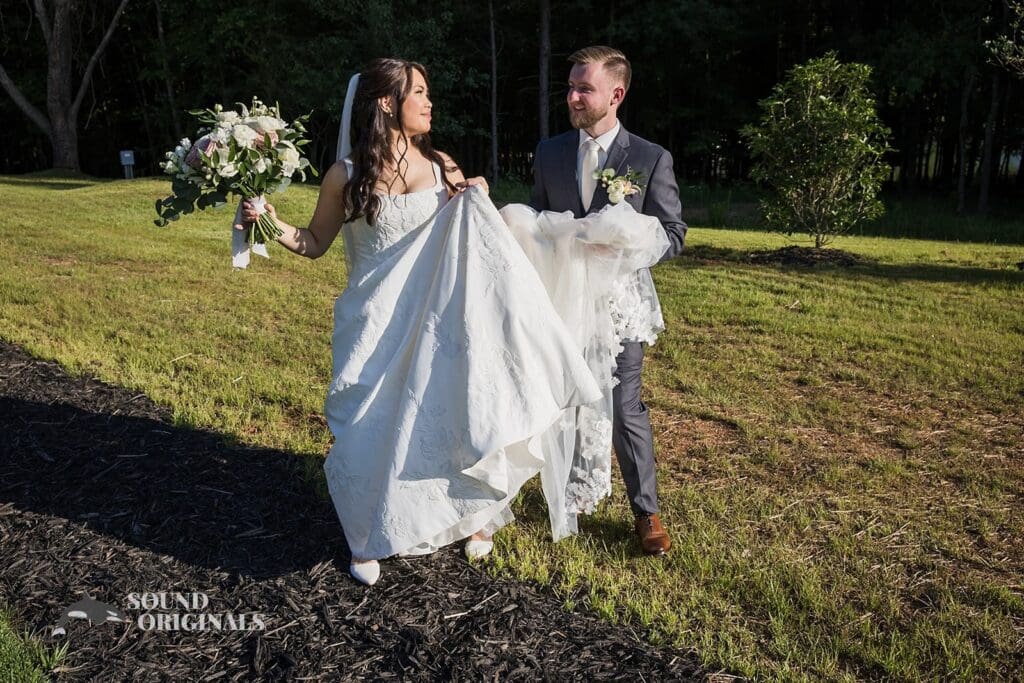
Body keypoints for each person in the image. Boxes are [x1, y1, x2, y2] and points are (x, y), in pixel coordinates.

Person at [239, 58, 601, 585]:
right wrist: (268, 221)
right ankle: (366, 534)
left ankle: (473, 516)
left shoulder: (444, 167)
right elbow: (314, 243)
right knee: (368, 426)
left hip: (433, 321)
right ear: (387, 103)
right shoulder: (345, 175)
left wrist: (479, 199)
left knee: (447, 409)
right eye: (420, 93)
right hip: (373, 320)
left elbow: (479, 245)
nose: (430, 103)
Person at [529, 46, 687, 556]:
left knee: (623, 404)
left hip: (620, 302)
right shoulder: (549, 152)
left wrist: (623, 235)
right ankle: (569, 493)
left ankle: (646, 512)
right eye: (571, 87)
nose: (572, 97)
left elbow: (673, 232)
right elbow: (536, 219)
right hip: (561, 296)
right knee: (562, 393)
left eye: (584, 89)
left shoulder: (648, 158)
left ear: (616, 94)